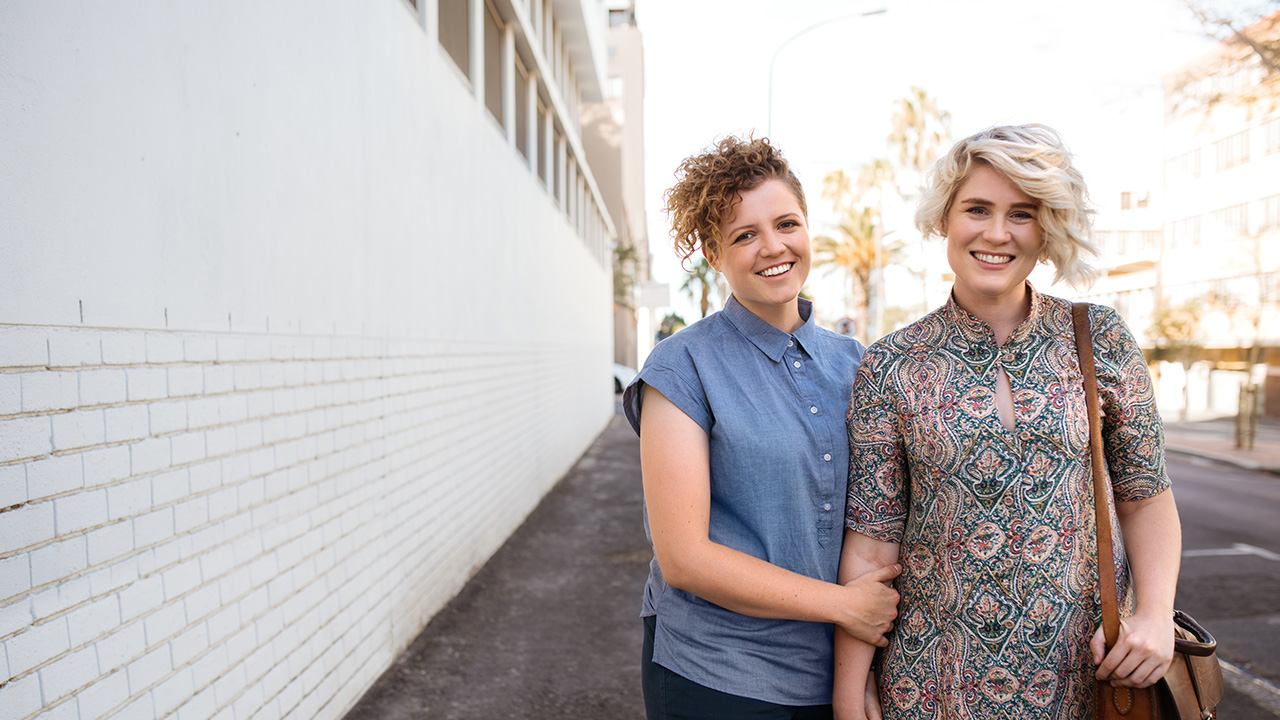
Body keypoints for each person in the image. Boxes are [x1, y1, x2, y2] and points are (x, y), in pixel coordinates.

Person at [834, 124, 1182, 720]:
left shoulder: (1100, 338)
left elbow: (1145, 496)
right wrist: (849, 690)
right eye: (977, 209)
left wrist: (1153, 616)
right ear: (945, 218)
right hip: (934, 681)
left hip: (1091, 673)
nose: (997, 233)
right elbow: (871, 546)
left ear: (1046, 229)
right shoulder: (890, 365)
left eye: (1021, 214)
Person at [623, 135, 902, 720]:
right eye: (744, 235)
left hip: (835, 674)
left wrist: (864, 663)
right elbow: (684, 558)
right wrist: (843, 606)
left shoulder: (857, 362)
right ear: (711, 250)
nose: (773, 247)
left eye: (786, 223)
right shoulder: (681, 367)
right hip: (719, 674)